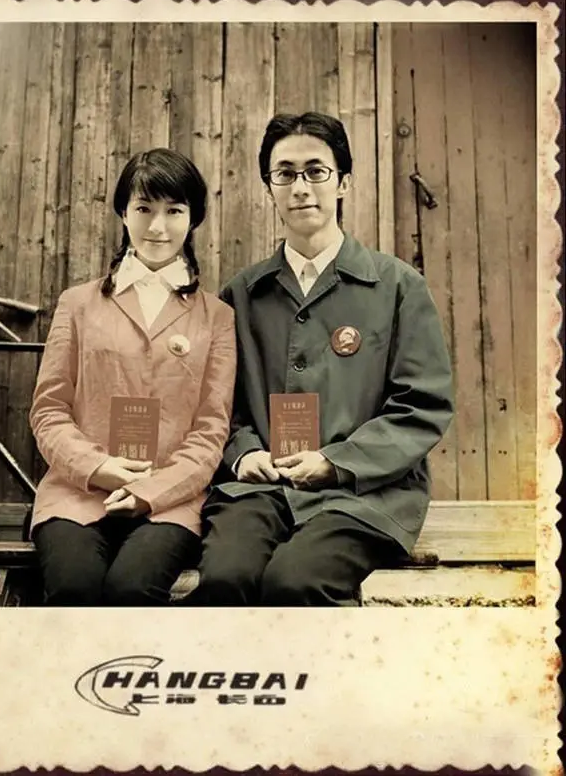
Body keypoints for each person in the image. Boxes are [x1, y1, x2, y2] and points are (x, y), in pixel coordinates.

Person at [188, 112, 454, 606]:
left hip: (366, 494)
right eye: (284, 174)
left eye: (316, 171)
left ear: (343, 183)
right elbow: (218, 404)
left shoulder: (398, 287)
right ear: (270, 188)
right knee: (226, 578)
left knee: (296, 582)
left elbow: (422, 406)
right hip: (261, 489)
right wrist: (243, 453)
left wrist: (336, 462)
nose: (300, 187)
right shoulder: (241, 295)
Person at [29, 148, 236, 606]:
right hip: (78, 495)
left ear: (193, 218)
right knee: (74, 588)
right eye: (144, 208)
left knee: (132, 589)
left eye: (174, 211)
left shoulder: (217, 317)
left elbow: (211, 429)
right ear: (123, 212)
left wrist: (151, 491)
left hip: (170, 502)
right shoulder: (77, 304)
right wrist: (96, 467)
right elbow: (49, 409)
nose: (157, 227)